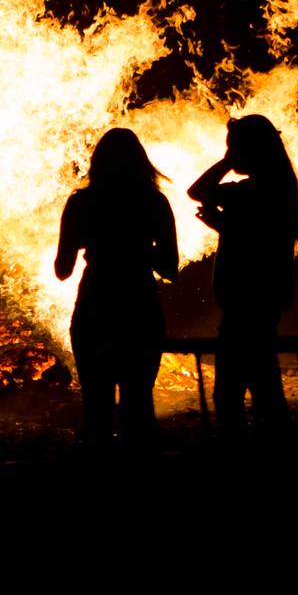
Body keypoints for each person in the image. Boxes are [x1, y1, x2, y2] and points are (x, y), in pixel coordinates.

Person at [55, 128, 179, 447]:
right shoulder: (155, 202)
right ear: (141, 162)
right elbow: (169, 268)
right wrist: (139, 249)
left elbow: (62, 270)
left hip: (95, 307)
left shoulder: (81, 203)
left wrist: (91, 242)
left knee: (96, 408)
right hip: (140, 307)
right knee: (139, 405)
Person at [187, 114, 298, 432]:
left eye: (233, 147)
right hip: (262, 305)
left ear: (248, 150)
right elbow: (256, 239)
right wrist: (225, 226)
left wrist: (226, 163)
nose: (229, 152)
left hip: (246, 307)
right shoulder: (277, 191)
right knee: (264, 389)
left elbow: (197, 191)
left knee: (229, 395)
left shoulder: (252, 192)